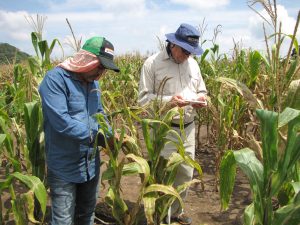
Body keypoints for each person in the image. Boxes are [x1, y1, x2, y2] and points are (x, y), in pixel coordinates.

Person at [39, 36, 120, 225]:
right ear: (86, 59)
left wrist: (110, 134)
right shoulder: (54, 80)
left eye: (104, 69)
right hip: (64, 166)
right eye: (99, 66)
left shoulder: (94, 83)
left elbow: (99, 113)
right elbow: (62, 122)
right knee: (63, 220)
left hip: (90, 165)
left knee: (86, 215)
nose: (101, 74)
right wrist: (99, 137)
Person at [138, 23, 207, 225]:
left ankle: (176, 211)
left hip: (188, 127)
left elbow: (201, 90)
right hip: (164, 129)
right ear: (173, 44)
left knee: (185, 172)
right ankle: (159, 215)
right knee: (163, 173)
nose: (187, 56)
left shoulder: (193, 64)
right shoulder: (152, 64)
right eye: (185, 51)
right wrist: (168, 102)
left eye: (191, 52)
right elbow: (142, 100)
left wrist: (202, 99)